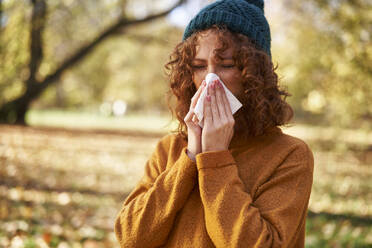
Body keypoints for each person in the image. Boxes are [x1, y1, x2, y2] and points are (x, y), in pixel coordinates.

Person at [114, 0, 314, 247]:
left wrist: (216, 159)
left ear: (255, 73)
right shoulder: (170, 149)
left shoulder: (289, 155)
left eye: (227, 65)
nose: (210, 79)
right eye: (199, 66)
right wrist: (190, 157)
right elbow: (130, 238)